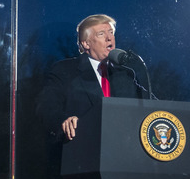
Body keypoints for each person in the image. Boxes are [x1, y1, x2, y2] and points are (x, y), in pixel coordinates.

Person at [36, 14, 144, 142]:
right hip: (84, 148)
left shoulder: (125, 74)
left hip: (122, 147)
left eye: (111, 32)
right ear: (86, 44)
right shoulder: (65, 70)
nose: (109, 38)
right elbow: (46, 107)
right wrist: (64, 121)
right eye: (101, 34)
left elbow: (148, 103)